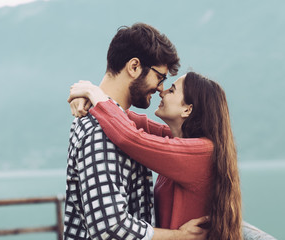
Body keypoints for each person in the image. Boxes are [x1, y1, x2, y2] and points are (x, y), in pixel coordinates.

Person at [64, 23, 209, 240]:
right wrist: (180, 236)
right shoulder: (100, 132)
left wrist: (93, 93)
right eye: (160, 77)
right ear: (134, 67)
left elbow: (146, 132)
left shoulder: (114, 123)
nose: (161, 88)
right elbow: (110, 228)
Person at [68, 72, 243, 240]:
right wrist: (90, 95)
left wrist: (93, 93)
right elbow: (125, 120)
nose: (162, 91)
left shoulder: (200, 153)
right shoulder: (181, 142)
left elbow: (131, 137)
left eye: (172, 90)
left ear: (187, 109)